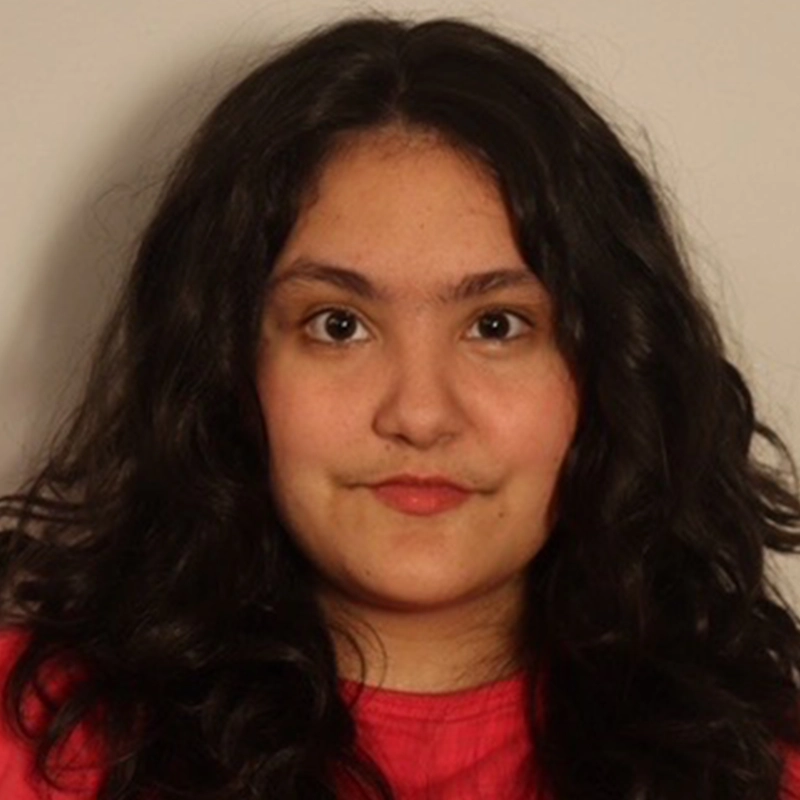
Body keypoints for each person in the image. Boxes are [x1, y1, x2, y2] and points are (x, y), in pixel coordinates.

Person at [1, 14, 799, 800]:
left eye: (497, 326)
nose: (419, 415)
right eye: (339, 326)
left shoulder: (763, 771)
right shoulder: (36, 737)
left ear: (610, 371)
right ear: (228, 370)